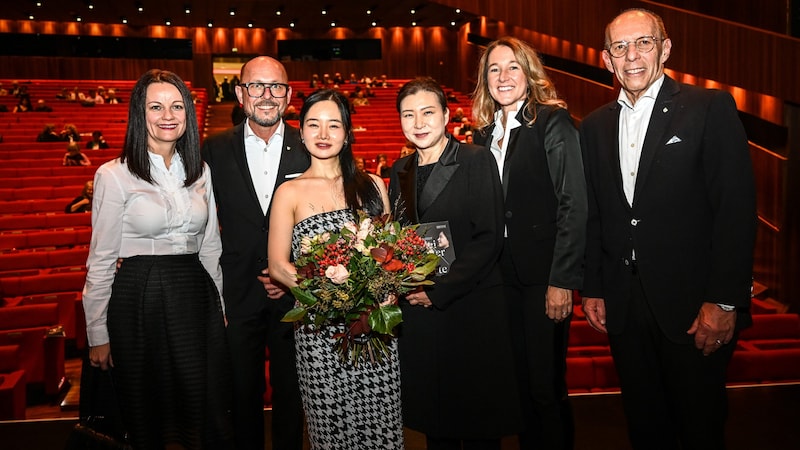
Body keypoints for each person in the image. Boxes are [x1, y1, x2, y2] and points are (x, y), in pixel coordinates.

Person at [579, 9, 757, 450]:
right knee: (645, 426)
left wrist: (724, 300)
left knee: (699, 428)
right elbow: (598, 214)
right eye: (620, 47)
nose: (632, 55)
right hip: (624, 307)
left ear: (665, 48)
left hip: (694, 308)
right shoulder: (594, 126)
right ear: (606, 59)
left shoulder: (708, 107)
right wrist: (594, 287)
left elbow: (735, 210)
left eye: (643, 42)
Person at [82, 68, 233, 449]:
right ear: (139, 113)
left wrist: (220, 306)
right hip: (139, 297)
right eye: (156, 106)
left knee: (201, 403)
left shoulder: (201, 171)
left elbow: (210, 246)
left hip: (195, 295)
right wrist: (97, 333)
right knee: (147, 410)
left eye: (177, 106)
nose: (168, 115)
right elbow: (100, 260)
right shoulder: (113, 175)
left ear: (188, 114)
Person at [388, 77, 521, 450]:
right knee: (437, 424)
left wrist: (439, 290)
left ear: (446, 115)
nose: (418, 123)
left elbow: (488, 237)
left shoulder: (475, 159)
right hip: (424, 316)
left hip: (472, 308)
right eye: (408, 115)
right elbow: (402, 240)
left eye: (428, 112)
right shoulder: (401, 170)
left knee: (479, 426)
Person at [267, 88, 402, 450]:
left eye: (334, 125)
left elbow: (389, 253)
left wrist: (373, 293)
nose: (323, 135)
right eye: (314, 125)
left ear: (347, 133)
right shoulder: (289, 192)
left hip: (374, 329)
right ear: (301, 130)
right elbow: (278, 266)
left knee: (381, 428)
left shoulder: (372, 184)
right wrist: (331, 297)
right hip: (318, 332)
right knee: (332, 431)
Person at [471, 36, 588, 450]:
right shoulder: (482, 134)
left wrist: (562, 280)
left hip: (542, 277)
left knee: (544, 388)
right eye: (494, 70)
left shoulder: (553, 123)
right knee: (515, 386)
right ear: (485, 80)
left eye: (512, 67)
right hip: (498, 279)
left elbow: (574, 204)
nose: (503, 77)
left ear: (529, 73)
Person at [201, 56, 307, 450]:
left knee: (292, 397)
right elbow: (199, 221)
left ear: (289, 95)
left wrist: (294, 272)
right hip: (236, 292)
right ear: (240, 92)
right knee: (240, 396)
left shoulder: (309, 145)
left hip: (298, 295)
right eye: (256, 86)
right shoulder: (212, 149)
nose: (266, 95)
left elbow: (327, 224)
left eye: (276, 87)